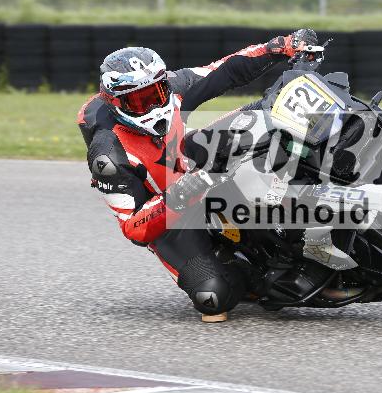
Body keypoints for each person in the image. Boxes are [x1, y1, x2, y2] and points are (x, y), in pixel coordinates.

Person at [77, 29, 317, 322]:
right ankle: (247, 269)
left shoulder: (174, 87)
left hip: (193, 162)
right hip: (169, 215)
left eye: (156, 93)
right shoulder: (108, 154)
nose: (152, 105)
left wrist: (280, 47)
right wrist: (182, 193)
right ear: (117, 105)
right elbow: (134, 228)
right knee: (214, 297)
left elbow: (226, 69)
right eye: (139, 102)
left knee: (269, 118)